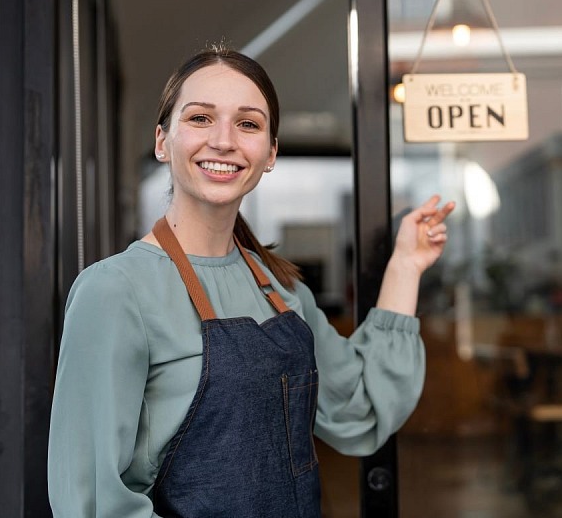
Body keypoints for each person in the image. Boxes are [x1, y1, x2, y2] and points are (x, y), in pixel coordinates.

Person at [47, 47, 455, 518]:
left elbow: (357, 407)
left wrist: (405, 266)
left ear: (270, 152)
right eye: (200, 118)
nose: (224, 141)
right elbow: (92, 504)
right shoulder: (114, 292)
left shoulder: (280, 288)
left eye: (247, 123)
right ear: (162, 142)